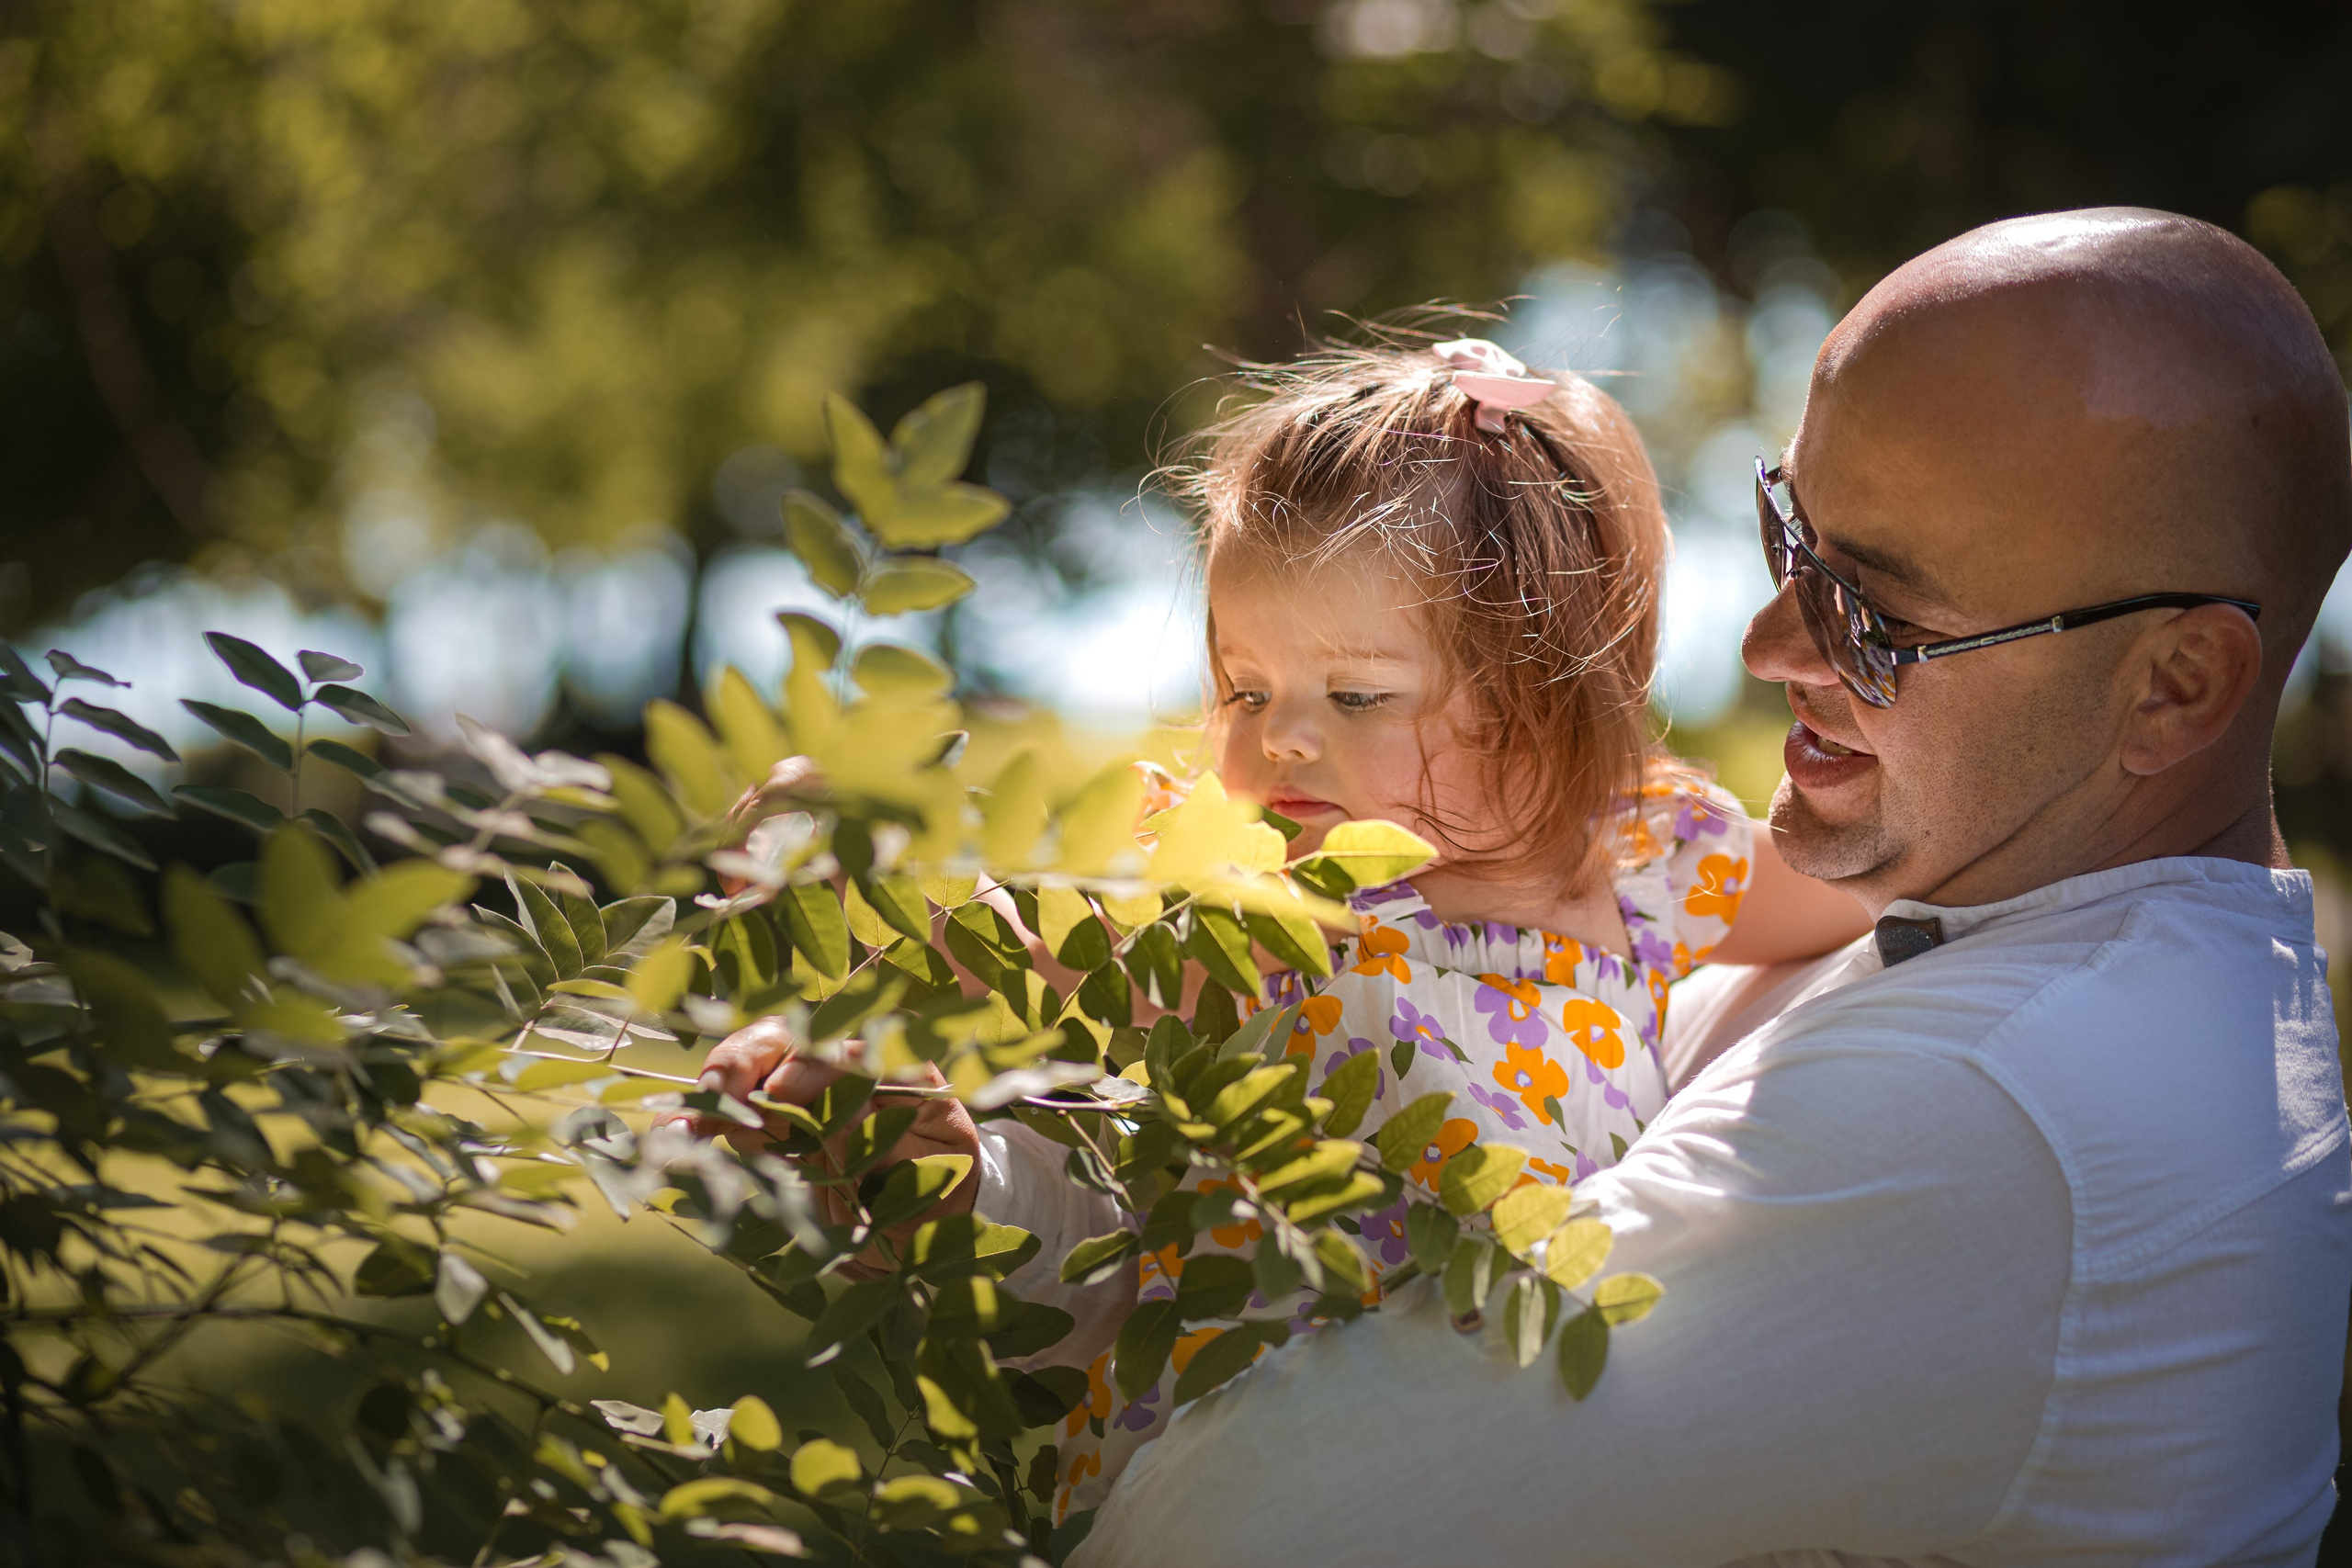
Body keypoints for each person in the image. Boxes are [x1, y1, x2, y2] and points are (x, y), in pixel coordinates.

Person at [1052, 209, 2352, 1564]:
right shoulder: (2020, 934)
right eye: (1792, 534)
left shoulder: (2007, 1106)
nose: (1769, 637)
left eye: (1878, 616)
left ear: (2175, 685)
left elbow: (1237, 1523)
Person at [690, 335, 1863, 1515]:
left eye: (1354, 694)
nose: (1281, 739)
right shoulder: (1224, 876)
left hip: (1500, 1478)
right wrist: (883, 855)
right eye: (1245, 688)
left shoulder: (1646, 854)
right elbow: (1023, 928)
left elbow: (1867, 887)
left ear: (1550, 688)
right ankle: (906, 1164)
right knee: (1016, 1175)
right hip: (1221, 1485)